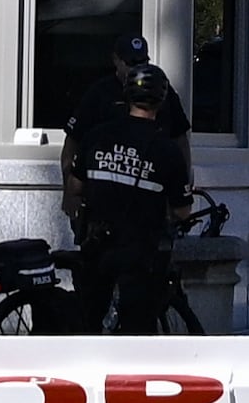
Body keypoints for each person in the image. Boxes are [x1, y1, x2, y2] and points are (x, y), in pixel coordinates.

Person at [66, 37, 187, 333]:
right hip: (139, 250)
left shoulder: (97, 136)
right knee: (137, 330)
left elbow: (76, 183)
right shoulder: (166, 150)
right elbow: (182, 212)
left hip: (98, 242)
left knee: (88, 320)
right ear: (161, 100)